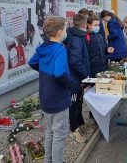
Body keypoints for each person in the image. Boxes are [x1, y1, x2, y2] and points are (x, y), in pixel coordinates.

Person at [28, 17, 74, 163]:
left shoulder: (43, 47)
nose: (66, 32)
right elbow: (60, 73)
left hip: (46, 96)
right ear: (60, 32)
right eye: (65, 29)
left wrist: (44, 71)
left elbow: (32, 62)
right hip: (58, 97)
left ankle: (47, 160)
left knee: (50, 132)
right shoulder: (59, 49)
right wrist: (71, 83)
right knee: (59, 134)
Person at [66, 13, 90, 143]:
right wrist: (85, 74)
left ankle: (79, 123)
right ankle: (73, 129)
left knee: (79, 101)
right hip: (75, 79)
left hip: (78, 79)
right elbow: (75, 61)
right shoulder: (76, 39)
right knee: (74, 103)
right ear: (84, 24)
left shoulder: (78, 36)